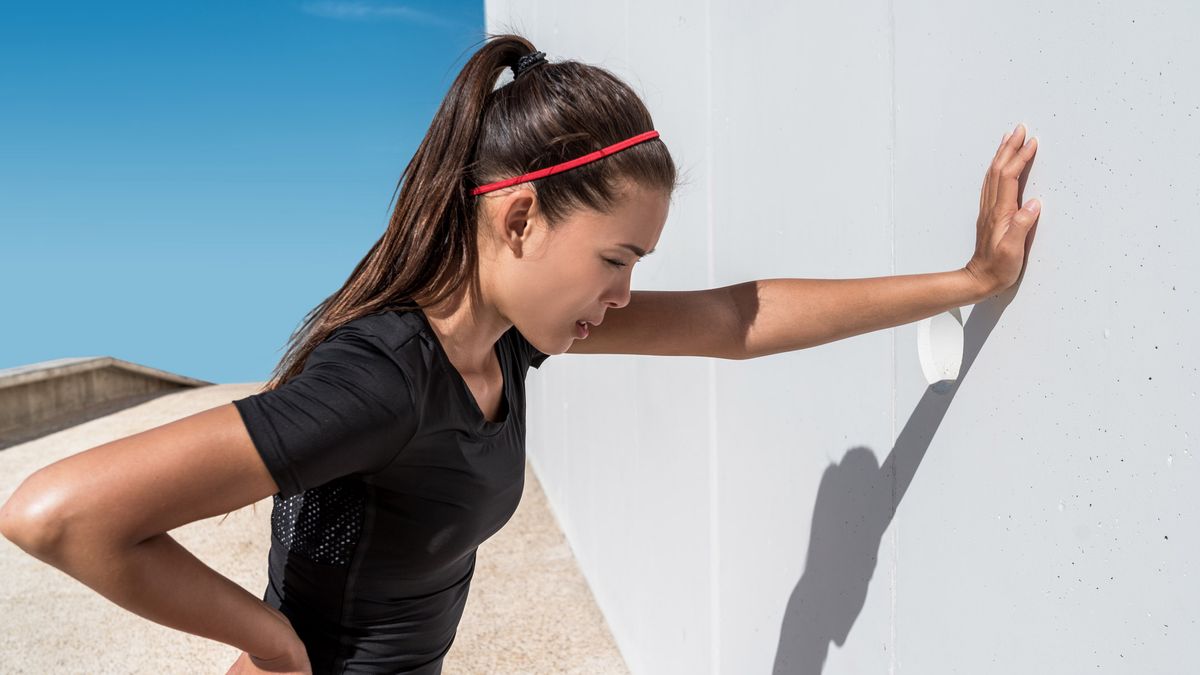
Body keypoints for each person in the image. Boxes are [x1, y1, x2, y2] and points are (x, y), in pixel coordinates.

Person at [0, 30, 1042, 675]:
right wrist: (274, 646)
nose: (626, 294)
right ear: (518, 220)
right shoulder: (386, 378)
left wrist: (968, 280)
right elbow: (56, 513)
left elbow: (735, 321)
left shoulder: (505, 344)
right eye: (617, 257)